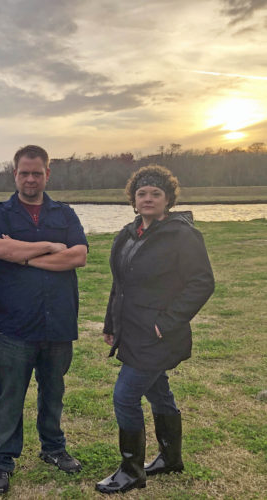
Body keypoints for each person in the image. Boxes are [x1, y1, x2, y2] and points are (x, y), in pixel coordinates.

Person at [96, 165, 214, 494]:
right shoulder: (129, 233)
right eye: (142, 193)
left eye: (155, 194)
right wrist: (111, 323)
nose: (148, 198)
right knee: (157, 390)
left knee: (125, 396)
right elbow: (120, 283)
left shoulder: (182, 234)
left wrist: (167, 321)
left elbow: (202, 282)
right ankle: (170, 458)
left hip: (158, 334)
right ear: (133, 200)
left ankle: (131, 470)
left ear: (168, 199)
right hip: (131, 330)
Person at [0, 145, 88, 494]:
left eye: (37, 173)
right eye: (24, 172)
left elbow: (78, 257)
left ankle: (53, 448)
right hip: (14, 324)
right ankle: (2, 461)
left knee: (53, 391)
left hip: (58, 320)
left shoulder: (65, 213)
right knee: (10, 394)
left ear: (47, 174)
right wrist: (50, 246)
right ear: (14, 174)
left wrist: (24, 255)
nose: (30, 179)